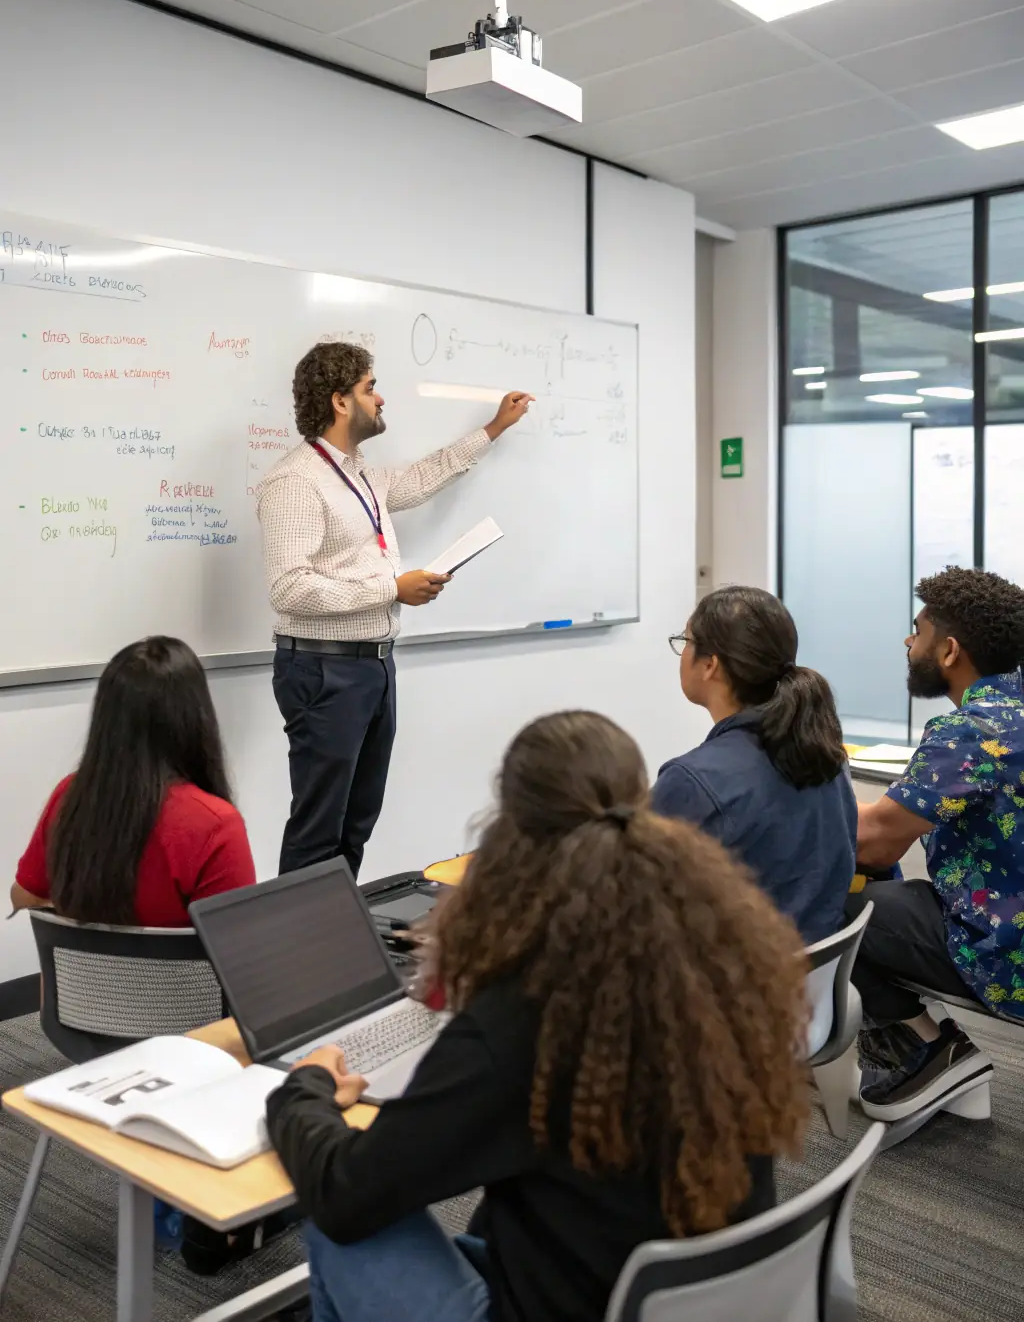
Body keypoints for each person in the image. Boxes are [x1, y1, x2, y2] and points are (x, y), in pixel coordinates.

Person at [266, 710, 811, 1322]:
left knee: (339, 1225)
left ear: (510, 832)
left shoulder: (522, 1022)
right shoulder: (716, 958)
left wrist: (302, 1090)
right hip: (686, 1294)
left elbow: (346, 1194)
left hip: (576, 1302)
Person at [258, 342, 533, 878]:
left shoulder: (358, 474)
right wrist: (391, 588)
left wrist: (494, 427)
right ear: (340, 402)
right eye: (370, 388)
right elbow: (289, 589)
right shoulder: (295, 481)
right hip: (322, 669)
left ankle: (337, 939)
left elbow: (423, 477)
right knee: (319, 829)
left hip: (372, 666)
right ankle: (297, 956)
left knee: (356, 821)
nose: (380, 398)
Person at [852, 566, 1024, 1121]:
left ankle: (928, 1050)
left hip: (1008, 954)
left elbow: (875, 843)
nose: (909, 641)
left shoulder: (969, 732)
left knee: (838, 906)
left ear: (949, 651)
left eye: (918, 631)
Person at [650, 586, 855, 944]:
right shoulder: (826, 754)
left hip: (730, 991)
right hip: (809, 986)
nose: (682, 653)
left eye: (685, 641)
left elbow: (633, 903)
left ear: (710, 664)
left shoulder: (693, 782)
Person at [11, 636, 255, 926]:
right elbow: (236, 943)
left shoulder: (72, 796)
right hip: (177, 974)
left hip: (78, 973)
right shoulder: (214, 825)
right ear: (195, 718)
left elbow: (23, 896)